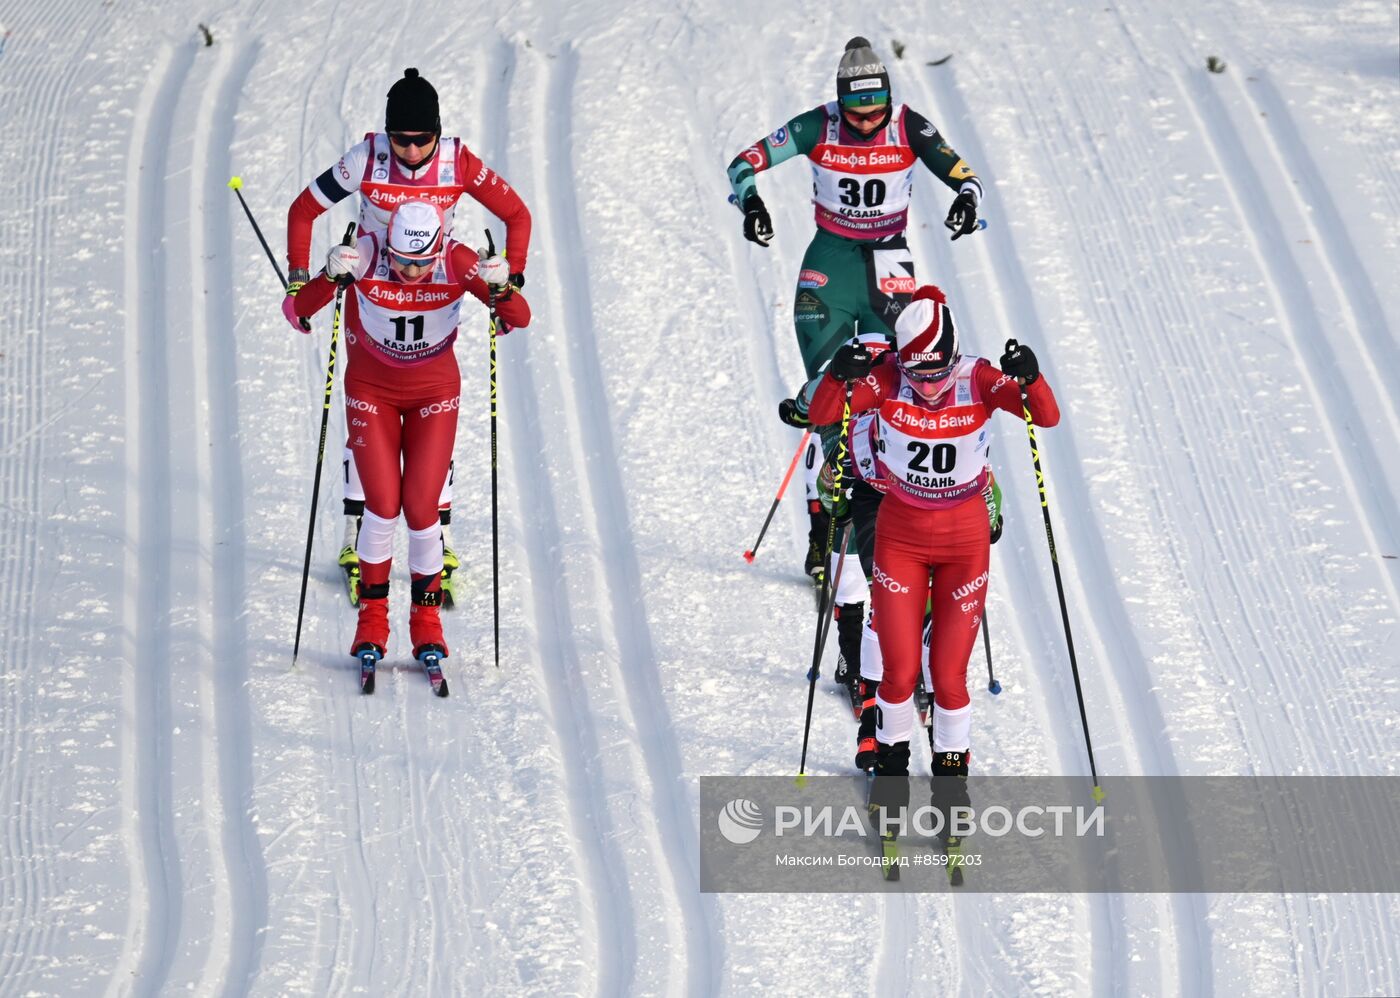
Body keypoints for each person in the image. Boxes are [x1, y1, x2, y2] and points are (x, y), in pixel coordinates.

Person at [727, 36, 984, 585]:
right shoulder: (817, 125)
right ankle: (824, 533)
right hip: (829, 267)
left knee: (902, 389)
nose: (866, 124)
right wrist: (750, 200)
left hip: (890, 268)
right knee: (827, 399)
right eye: (855, 113)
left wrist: (967, 198)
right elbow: (743, 162)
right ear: (839, 102)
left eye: (876, 112)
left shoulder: (908, 125)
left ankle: (893, 520)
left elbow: (963, 173)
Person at [807, 285, 1057, 837]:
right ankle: (891, 778)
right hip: (901, 537)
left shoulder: (978, 378)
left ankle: (952, 785)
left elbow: (1047, 416)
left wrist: (1030, 377)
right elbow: (827, 411)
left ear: (953, 351)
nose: (929, 385)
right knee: (898, 673)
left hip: (963, 545)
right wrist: (840, 375)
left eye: (936, 371)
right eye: (917, 375)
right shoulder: (888, 378)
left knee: (947, 676)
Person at [282, 68, 532, 604]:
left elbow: (516, 214)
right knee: (368, 411)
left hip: (434, 285)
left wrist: (510, 279)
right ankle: (357, 535)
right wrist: (302, 278)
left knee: (428, 416)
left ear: (438, 133)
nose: (413, 150)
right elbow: (303, 209)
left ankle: (436, 535)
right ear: (387, 134)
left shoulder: (458, 162)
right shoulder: (364, 158)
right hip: (370, 283)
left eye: (424, 139)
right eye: (403, 139)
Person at [288, 200, 531, 667]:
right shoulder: (366, 251)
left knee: (422, 509)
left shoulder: (458, 261)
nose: (411, 271)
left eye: (421, 262)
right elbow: (299, 308)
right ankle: (372, 625)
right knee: (381, 506)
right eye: (401, 261)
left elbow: (519, 318)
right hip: (371, 390)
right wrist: (328, 275)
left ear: (438, 248)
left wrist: (501, 287)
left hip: (434, 393)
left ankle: (427, 627)